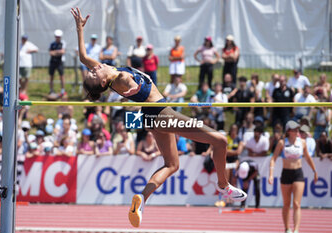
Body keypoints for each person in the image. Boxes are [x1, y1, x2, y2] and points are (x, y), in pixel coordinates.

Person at [71, 7, 247, 228]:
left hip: (152, 118)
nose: (95, 69)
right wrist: (130, 93)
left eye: (92, 71)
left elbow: (83, 56)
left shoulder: (109, 72)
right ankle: (223, 186)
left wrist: (79, 29)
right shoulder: (122, 77)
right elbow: (132, 86)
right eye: (94, 74)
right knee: (220, 141)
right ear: (103, 83)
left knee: (172, 165)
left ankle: (141, 200)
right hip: (162, 113)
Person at [269, 120, 318, 233]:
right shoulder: (282, 143)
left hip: (298, 174)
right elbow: (273, 159)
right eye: (294, 129)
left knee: (296, 203)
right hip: (286, 173)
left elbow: (308, 158)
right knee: (286, 204)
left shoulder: (303, 142)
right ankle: (287, 228)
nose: (297, 131)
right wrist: (271, 174)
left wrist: (314, 171)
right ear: (288, 131)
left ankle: (296, 229)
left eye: (297, 129)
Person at [49, 29, 66, 95]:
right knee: (51, 76)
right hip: (53, 61)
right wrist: (58, 52)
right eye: (56, 36)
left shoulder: (63, 43)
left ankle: (62, 90)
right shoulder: (52, 44)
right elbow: (51, 53)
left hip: (60, 62)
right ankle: (51, 90)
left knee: (61, 76)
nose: (57, 38)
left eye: (58, 37)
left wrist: (55, 52)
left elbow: (62, 52)